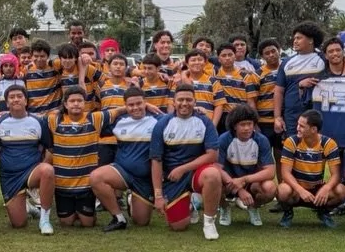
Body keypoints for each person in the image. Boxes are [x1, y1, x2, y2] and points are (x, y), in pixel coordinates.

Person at [149, 83, 222, 238]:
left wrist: (183, 168)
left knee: (213, 174)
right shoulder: (162, 124)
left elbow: (212, 155)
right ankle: (193, 203)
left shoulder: (204, 121)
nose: (184, 103)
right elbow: (156, 161)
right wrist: (158, 195)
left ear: (195, 102)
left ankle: (209, 223)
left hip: (196, 173)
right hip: (173, 178)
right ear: (173, 102)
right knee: (178, 226)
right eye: (180, 100)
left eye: (189, 100)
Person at [91, 87, 158, 230]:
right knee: (96, 177)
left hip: (145, 180)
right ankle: (119, 218)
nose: (135, 107)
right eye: (130, 105)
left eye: (139, 103)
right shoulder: (119, 121)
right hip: (122, 172)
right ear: (125, 105)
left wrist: (197, 110)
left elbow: (178, 119)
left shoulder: (158, 120)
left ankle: (131, 199)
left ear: (145, 102)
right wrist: (121, 110)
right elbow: (92, 121)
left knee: (141, 222)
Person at [0, 84, 55, 233]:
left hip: (31, 171)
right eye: (12, 97)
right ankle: (30, 208)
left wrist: (44, 166)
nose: (16, 99)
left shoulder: (38, 121)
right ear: (7, 103)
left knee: (47, 171)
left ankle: (45, 220)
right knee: (19, 223)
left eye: (19, 96)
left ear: (26, 101)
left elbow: (50, 149)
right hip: (10, 176)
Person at [46, 88, 102, 228]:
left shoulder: (94, 119)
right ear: (65, 104)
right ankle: (74, 211)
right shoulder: (54, 120)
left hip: (86, 185)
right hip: (63, 185)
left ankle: (86, 211)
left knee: (87, 224)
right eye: (72, 101)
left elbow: (118, 111)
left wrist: (147, 105)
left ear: (85, 103)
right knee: (66, 223)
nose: (76, 104)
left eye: (79, 101)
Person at [277, 110, 343, 228]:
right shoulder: (291, 141)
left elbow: (336, 175)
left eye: (302, 126)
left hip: (316, 190)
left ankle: (323, 211)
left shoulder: (329, 144)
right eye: (298, 124)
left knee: (341, 190)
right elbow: (285, 173)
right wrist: (300, 190)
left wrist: (326, 188)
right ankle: (288, 212)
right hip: (296, 190)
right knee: (282, 190)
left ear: (313, 129)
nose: (297, 128)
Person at [216, 105, 277, 227]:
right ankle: (224, 207)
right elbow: (216, 168)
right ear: (234, 126)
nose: (247, 128)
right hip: (228, 182)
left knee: (270, 188)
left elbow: (270, 172)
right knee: (213, 182)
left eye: (250, 124)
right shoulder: (224, 139)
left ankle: (253, 207)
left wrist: (244, 180)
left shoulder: (261, 140)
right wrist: (238, 189)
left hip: (251, 183)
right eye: (242, 125)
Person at [273, 23, 327, 143]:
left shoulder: (324, 59)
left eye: (299, 38)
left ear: (311, 40)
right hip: (292, 115)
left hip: (317, 113)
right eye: (294, 38)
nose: (295, 41)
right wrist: (277, 117)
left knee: (317, 147)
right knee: (293, 147)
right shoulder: (286, 62)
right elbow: (278, 91)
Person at [211, 44, 257, 129]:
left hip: (241, 117)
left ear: (235, 56)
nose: (227, 58)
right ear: (219, 59)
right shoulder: (214, 76)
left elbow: (251, 102)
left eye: (230, 55)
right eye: (224, 55)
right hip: (221, 118)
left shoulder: (245, 76)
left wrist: (254, 123)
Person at [22, 41, 61, 116]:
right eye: (36, 56)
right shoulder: (26, 71)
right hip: (33, 115)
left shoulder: (55, 68)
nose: (39, 59)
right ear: (32, 56)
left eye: (42, 56)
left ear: (48, 56)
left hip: (53, 115)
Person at [255, 40, 282, 146]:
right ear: (262, 56)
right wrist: (255, 122)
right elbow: (252, 101)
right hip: (263, 122)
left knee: (282, 151)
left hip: (283, 119)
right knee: (263, 151)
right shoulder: (257, 74)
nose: (271, 55)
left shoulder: (288, 70)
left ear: (279, 51)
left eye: (273, 51)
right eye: (267, 53)